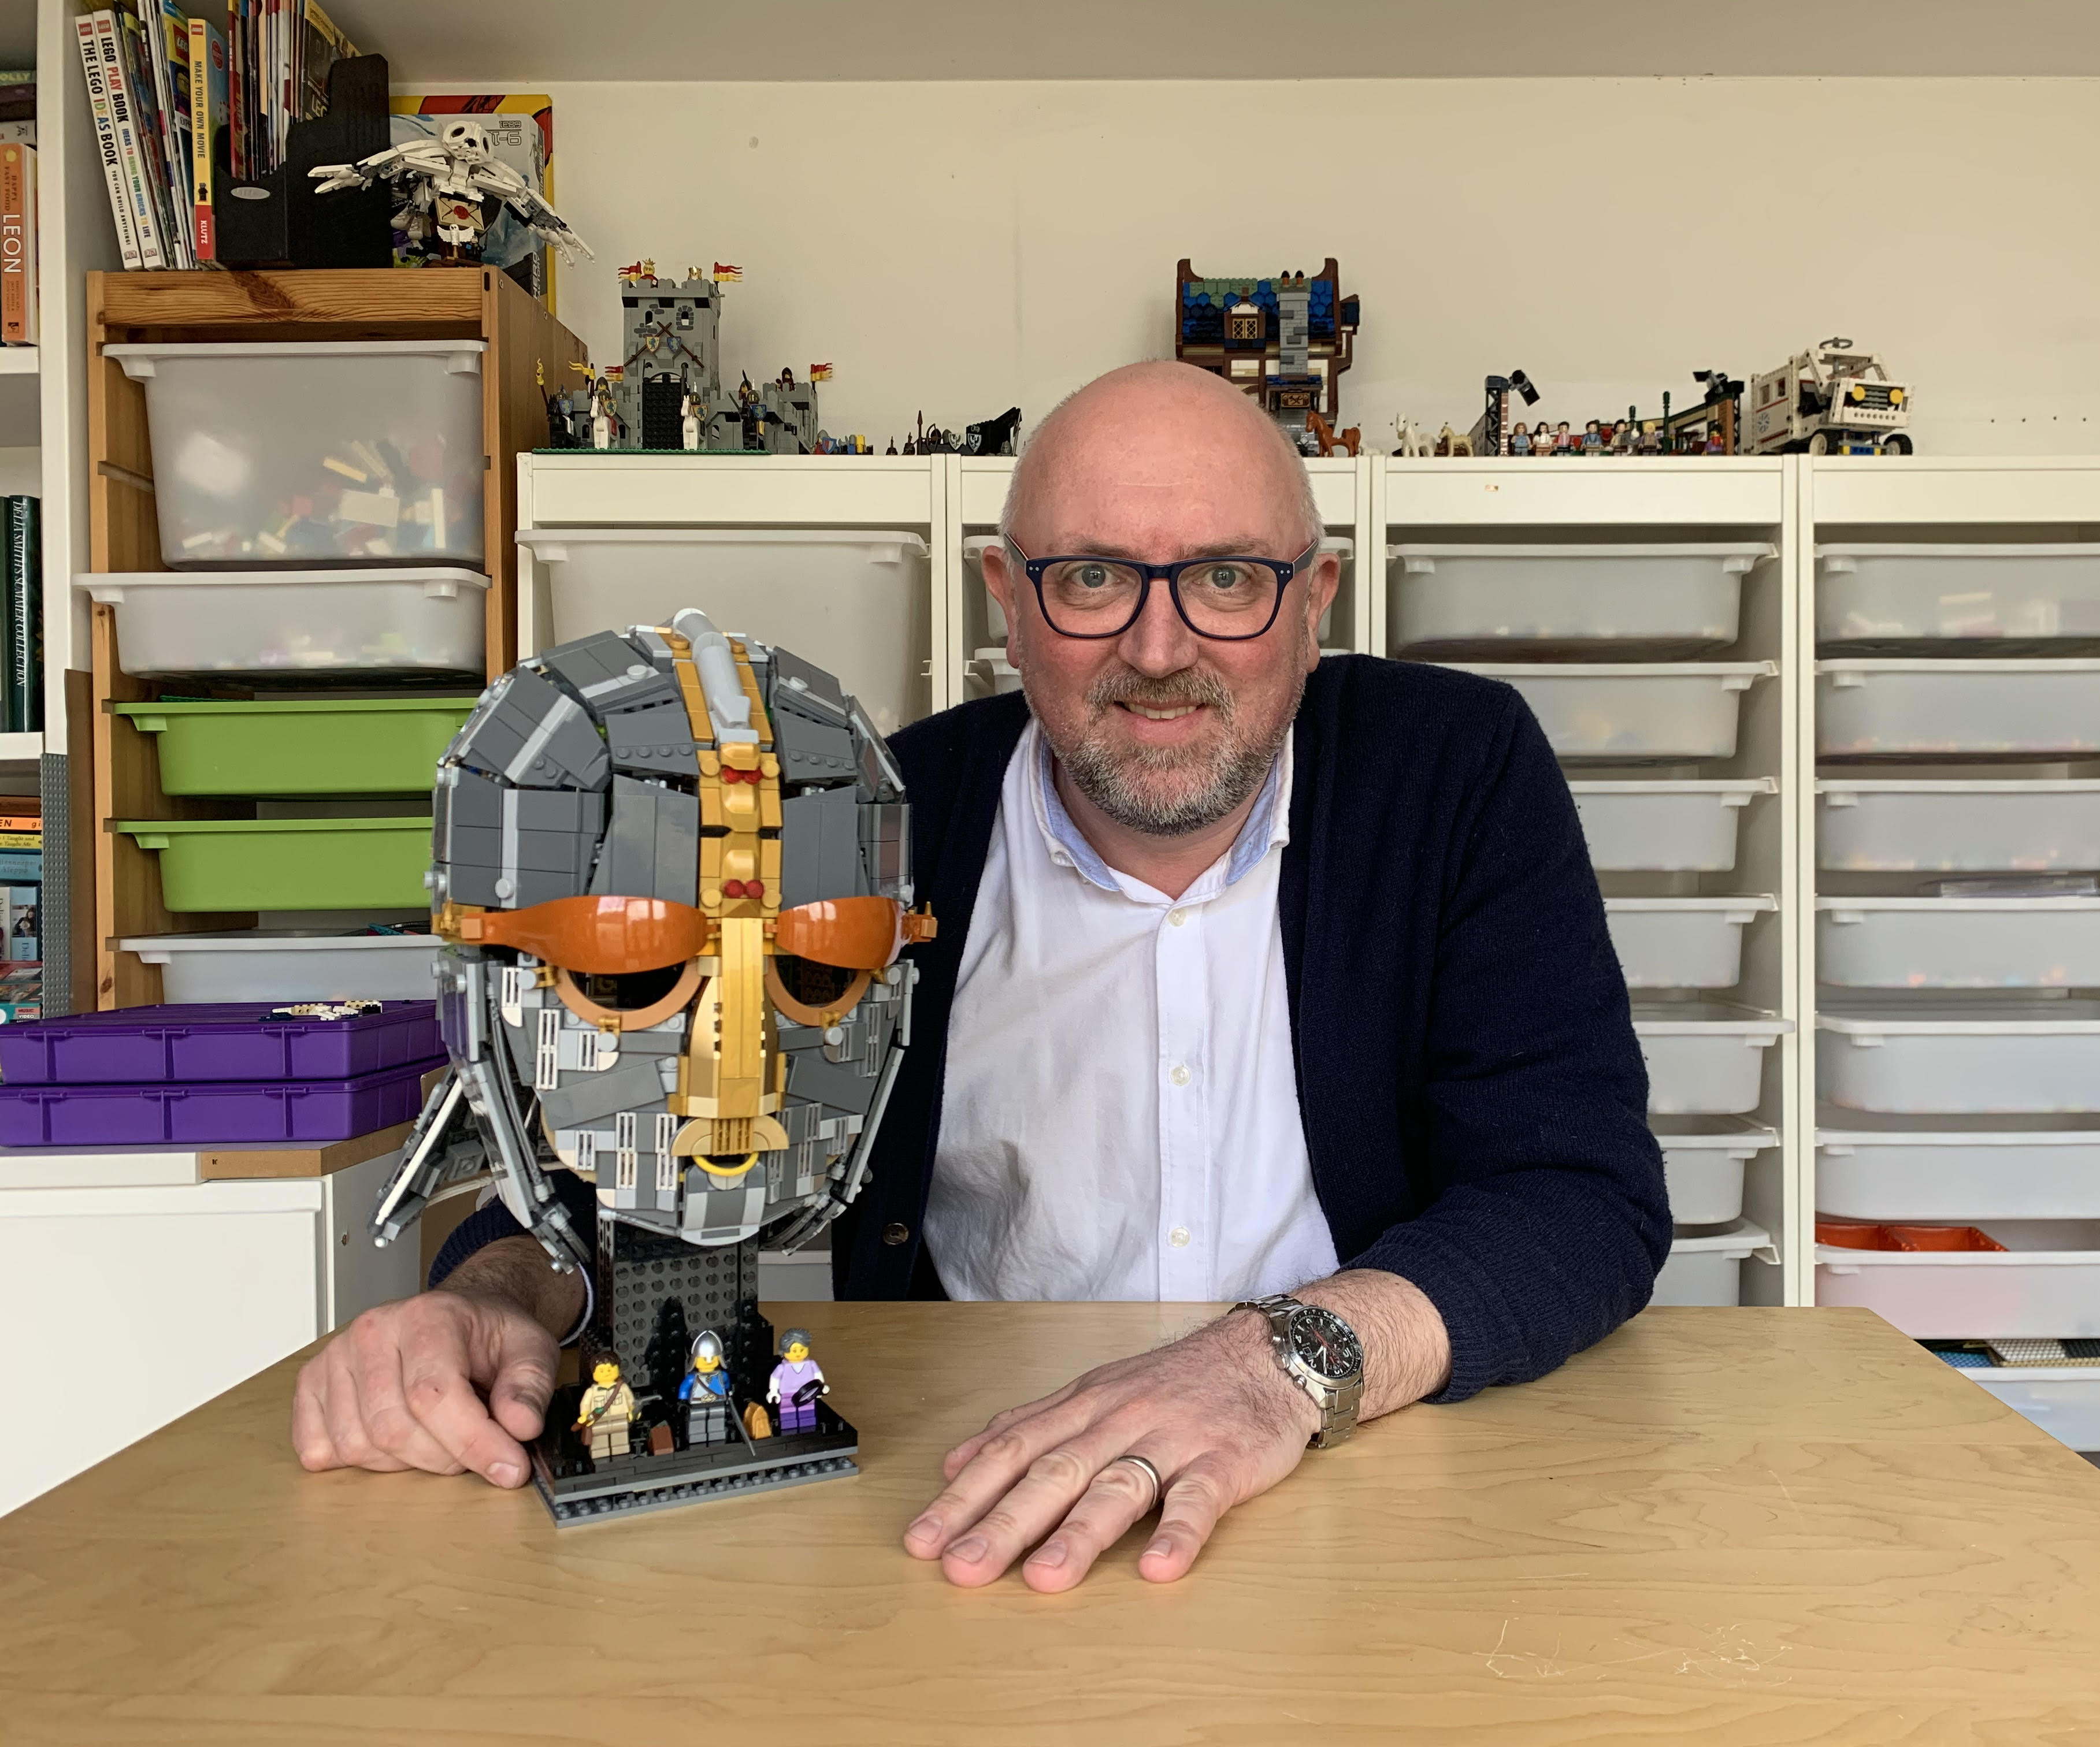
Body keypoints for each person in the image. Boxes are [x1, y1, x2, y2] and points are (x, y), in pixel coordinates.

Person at [289, 360, 1667, 1594]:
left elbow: (1578, 1193)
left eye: (1229, 579)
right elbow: (646, 1114)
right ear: (1008, 597)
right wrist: (492, 1298)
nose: (1160, 647)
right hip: (967, 1511)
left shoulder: (1460, 769)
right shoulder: (877, 816)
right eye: (1092, 578)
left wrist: (1275, 1367)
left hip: (1369, 1486)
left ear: (1315, 600)